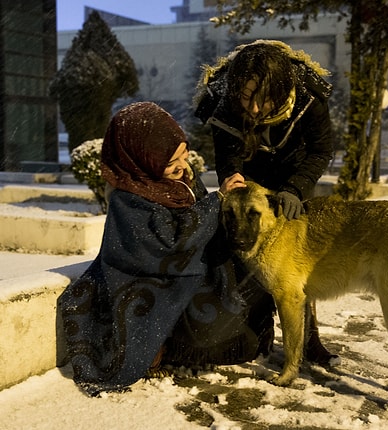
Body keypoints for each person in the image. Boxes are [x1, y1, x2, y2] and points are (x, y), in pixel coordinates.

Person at [58, 102, 275, 395]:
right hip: (155, 289)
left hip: (191, 276)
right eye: (171, 161)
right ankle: (163, 346)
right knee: (211, 330)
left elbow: (197, 217)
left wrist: (226, 200)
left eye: (184, 156)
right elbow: (171, 242)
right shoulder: (129, 199)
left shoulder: (179, 179)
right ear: (142, 158)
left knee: (259, 286)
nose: (182, 166)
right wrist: (216, 201)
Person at [194, 40, 338, 365]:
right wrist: (231, 177)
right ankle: (256, 333)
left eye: (264, 99)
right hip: (250, 180)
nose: (255, 110)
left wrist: (296, 188)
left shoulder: (309, 97)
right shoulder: (223, 101)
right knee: (246, 256)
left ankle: (308, 339)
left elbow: (321, 150)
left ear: (283, 88)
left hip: (294, 175)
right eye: (247, 98)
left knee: (296, 268)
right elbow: (227, 153)